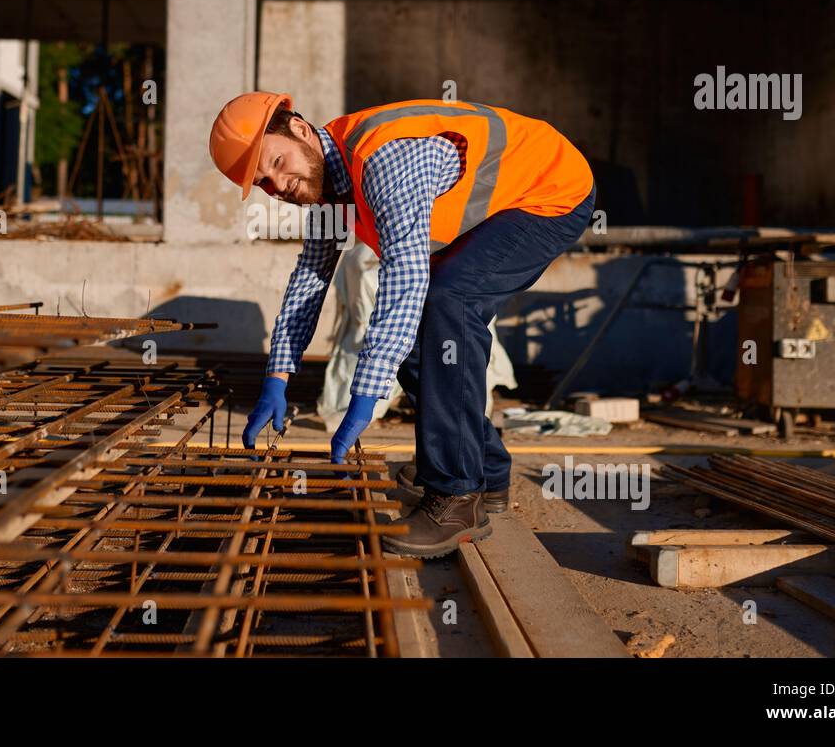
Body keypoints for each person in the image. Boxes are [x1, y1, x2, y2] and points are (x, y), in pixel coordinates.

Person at [208, 92, 595, 557]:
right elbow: (311, 276)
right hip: (505, 204)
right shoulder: (330, 187)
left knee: (448, 301)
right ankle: (484, 471)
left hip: (551, 191)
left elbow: (406, 277)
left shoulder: (383, 160)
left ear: (300, 130)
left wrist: (366, 395)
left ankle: (456, 496)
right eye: (265, 183)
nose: (280, 184)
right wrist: (277, 375)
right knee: (427, 325)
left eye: (277, 162)